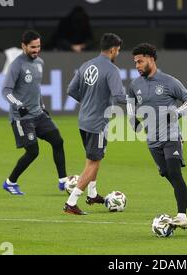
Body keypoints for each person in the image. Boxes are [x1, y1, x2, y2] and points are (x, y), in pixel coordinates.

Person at [127, 43, 187, 235]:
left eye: (140, 61)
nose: (137, 66)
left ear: (151, 59)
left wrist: (176, 114)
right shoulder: (135, 85)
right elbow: (130, 102)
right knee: (174, 180)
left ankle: (181, 215)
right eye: (135, 62)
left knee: (175, 174)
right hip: (152, 141)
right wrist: (133, 121)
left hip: (171, 136)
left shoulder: (169, 82)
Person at [64, 33, 126, 215]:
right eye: (118, 51)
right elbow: (119, 96)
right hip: (98, 123)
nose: (118, 54)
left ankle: (92, 194)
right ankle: (71, 202)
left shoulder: (86, 65)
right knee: (94, 163)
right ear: (113, 49)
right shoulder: (112, 70)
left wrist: (89, 102)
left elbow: (71, 90)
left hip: (83, 120)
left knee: (92, 159)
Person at [2, 30, 68, 195]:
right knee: (33, 151)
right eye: (32, 47)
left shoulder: (40, 63)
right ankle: (10, 182)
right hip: (21, 118)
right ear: (23, 46)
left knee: (58, 141)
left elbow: (35, 89)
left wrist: (42, 106)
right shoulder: (17, 65)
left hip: (38, 114)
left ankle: (63, 181)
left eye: (38, 46)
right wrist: (19, 105)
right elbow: (6, 91)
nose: (36, 50)